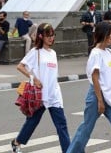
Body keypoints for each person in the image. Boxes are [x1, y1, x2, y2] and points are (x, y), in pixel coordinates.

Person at [66, 22, 111, 153]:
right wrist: (100, 101)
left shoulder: (109, 52)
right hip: (97, 96)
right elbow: (95, 78)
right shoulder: (96, 53)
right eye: (110, 34)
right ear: (103, 34)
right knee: (86, 128)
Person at [11, 23, 70, 153]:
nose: (51, 38)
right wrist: (34, 78)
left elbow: (53, 76)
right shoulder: (35, 52)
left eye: (53, 35)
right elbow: (20, 66)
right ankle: (16, 142)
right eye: (48, 35)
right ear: (41, 36)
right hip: (40, 96)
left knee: (62, 126)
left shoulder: (53, 53)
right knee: (32, 123)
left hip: (54, 95)